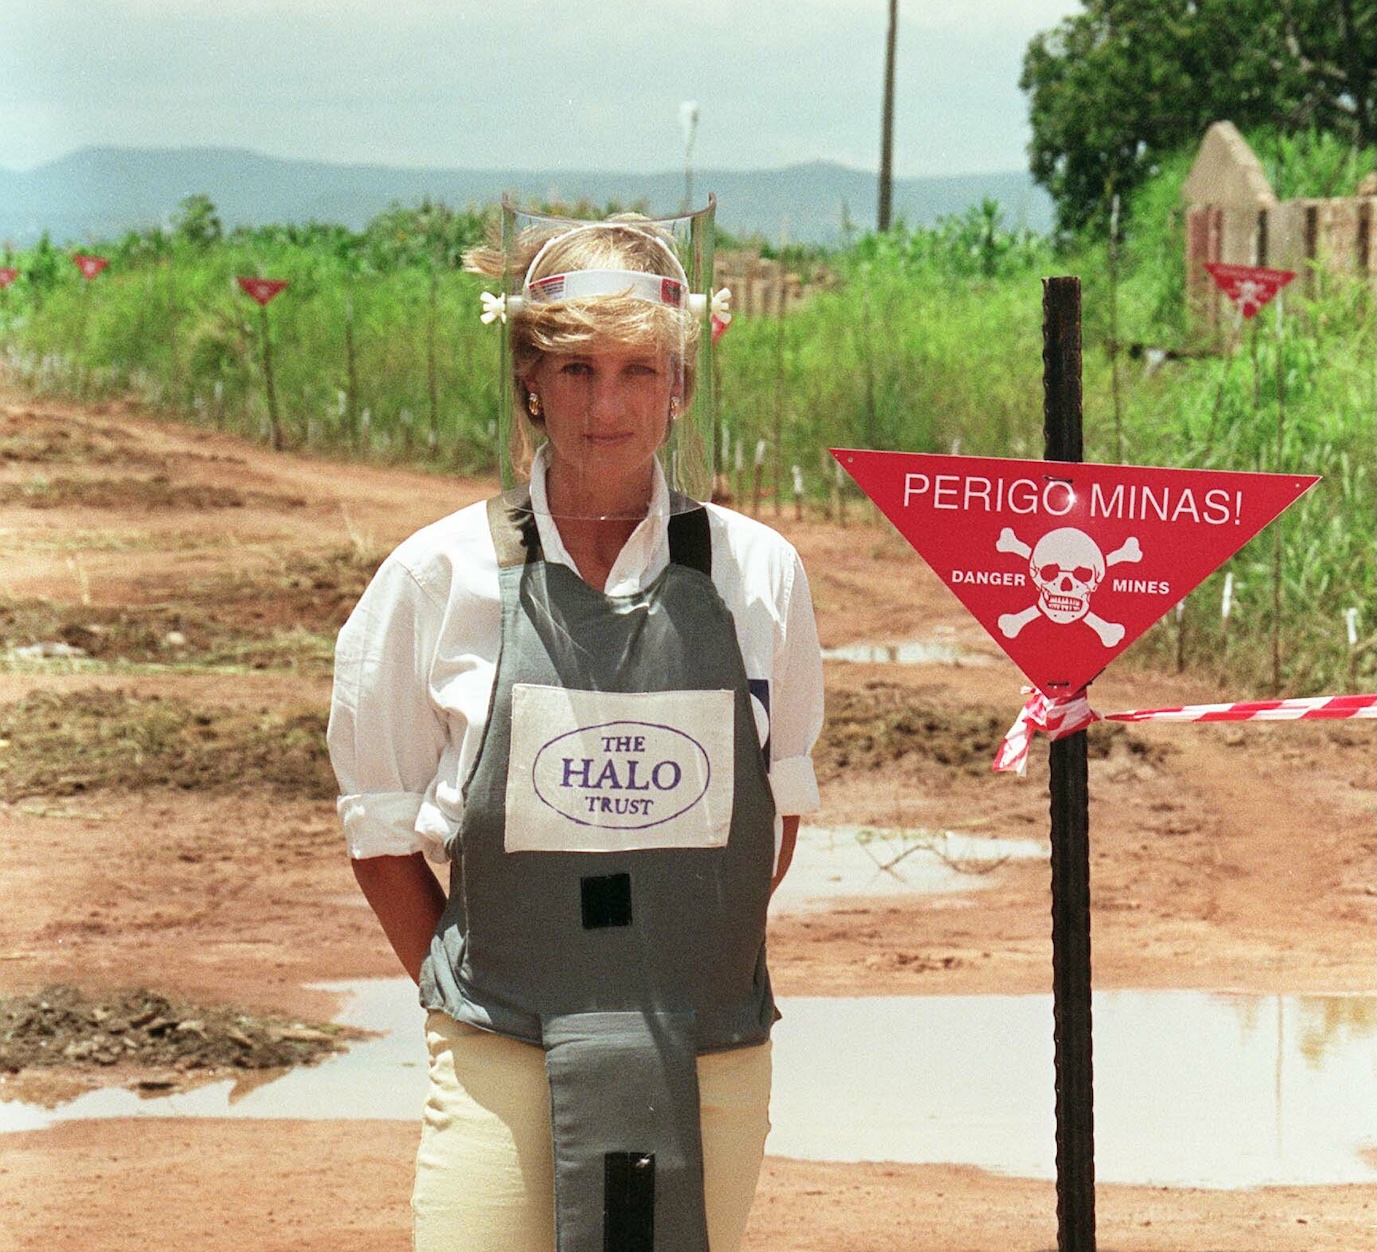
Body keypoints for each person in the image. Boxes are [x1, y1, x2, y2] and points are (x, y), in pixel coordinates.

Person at [327, 204, 824, 1252]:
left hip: (707, 1050)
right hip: (501, 1049)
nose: (608, 404)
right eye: (577, 371)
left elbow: (772, 816)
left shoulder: (757, 573)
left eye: (639, 370)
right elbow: (379, 829)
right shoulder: (439, 577)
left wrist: (655, 947)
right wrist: (491, 995)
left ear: (681, 383)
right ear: (529, 381)